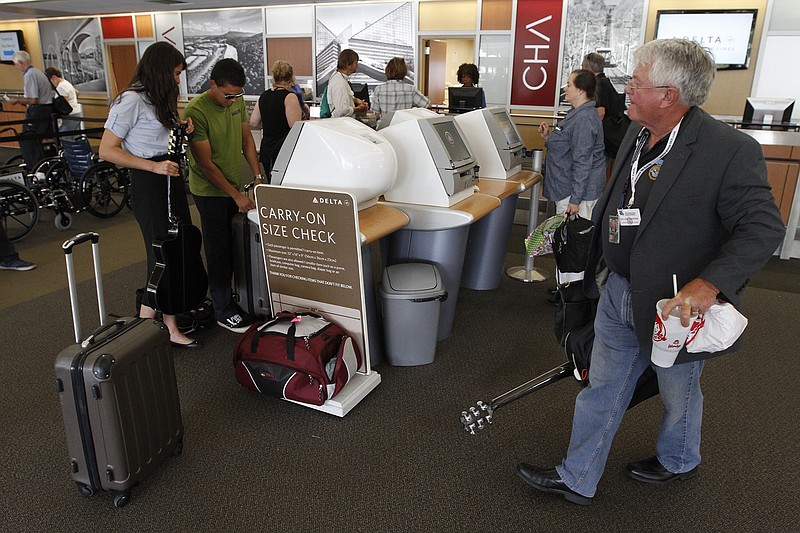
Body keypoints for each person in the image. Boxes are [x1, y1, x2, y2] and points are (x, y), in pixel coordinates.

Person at [516, 39, 785, 506]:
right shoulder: (637, 135)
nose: (624, 91)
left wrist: (710, 284)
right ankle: (577, 476)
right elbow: (622, 204)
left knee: (679, 390)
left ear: (668, 95)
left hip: (674, 306)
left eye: (636, 84)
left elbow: (763, 228)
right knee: (602, 386)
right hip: (618, 289)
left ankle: (680, 457)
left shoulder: (727, 151)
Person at [99, 41, 200, 349]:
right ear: (160, 70)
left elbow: (160, 137)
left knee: (176, 250)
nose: (178, 79)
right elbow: (107, 150)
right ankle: (144, 329)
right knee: (160, 255)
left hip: (168, 178)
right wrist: (152, 167)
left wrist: (183, 128)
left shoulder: (158, 99)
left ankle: (167, 325)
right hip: (149, 182)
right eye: (175, 72)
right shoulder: (130, 100)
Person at [182, 58, 262, 334]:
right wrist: (235, 195)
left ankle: (235, 297)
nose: (232, 100)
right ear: (212, 84)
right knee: (219, 251)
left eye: (237, 95)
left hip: (233, 186)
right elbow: (206, 165)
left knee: (238, 244)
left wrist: (257, 175)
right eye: (228, 95)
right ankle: (222, 309)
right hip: (209, 191)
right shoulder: (196, 110)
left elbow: (246, 140)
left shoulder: (236, 100)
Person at [539, 69, 606, 221]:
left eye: (569, 85)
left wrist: (575, 200)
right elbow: (569, 146)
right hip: (566, 189)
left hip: (574, 195)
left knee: (571, 240)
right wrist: (548, 137)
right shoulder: (576, 114)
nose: (565, 88)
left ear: (580, 90)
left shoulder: (584, 119)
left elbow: (583, 161)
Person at [249, 60, 303, 182]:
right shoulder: (290, 97)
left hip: (267, 150)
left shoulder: (264, 95)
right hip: (283, 150)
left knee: (272, 184)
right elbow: (295, 126)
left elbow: (253, 121)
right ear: (291, 77)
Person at [8, 51, 54, 171]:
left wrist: (17, 100)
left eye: (16, 64)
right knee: (46, 141)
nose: (16, 67)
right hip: (47, 110)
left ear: (20, 63)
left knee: (29, 140)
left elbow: (33, 99)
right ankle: (50, 166)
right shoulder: (39, 72)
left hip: (38, 112)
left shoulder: (30, 75)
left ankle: (37, 169)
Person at [582, 52, 629, 161]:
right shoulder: (605, 82)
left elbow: (600, 113)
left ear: (588, 69)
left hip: (605, 138)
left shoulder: (599, 85)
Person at [371, 57, 429, 128]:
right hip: (404, 128)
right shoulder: (411, 89)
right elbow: (426, 104)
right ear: (404, 71)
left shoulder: (379, 89)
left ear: (387, 70)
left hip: (384, 128)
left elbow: (376, 114)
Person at [327, 49, 369, 118]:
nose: (357, 65)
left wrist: (356, 100)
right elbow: (342, 111)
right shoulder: (340, 83)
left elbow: (343, 98)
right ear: (348, 64)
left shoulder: (340, 78)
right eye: (356, 63)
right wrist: (358, 109)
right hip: (342, 124)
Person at [45, 66, 83, 137]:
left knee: (64, 137)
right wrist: (73, 101)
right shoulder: (66, 82)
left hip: (70, 115)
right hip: (76, 112)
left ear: (53, 77)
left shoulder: (60, 87)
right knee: (75, 137)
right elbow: (77, 92)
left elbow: (62, 103)